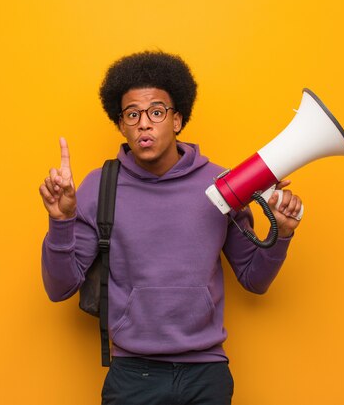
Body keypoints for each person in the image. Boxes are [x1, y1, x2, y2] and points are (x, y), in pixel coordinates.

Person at [39, 51, 302, 405]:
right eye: (132, 114)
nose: (143, 123)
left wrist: (281, 234)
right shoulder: (98, 187)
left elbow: (254, 280)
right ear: (121, 125)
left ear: (177, 120)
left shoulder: (222, 184)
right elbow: (60, 288)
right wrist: (60, 221)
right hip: (133, 375)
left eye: (156, 112)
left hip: (206, 375)